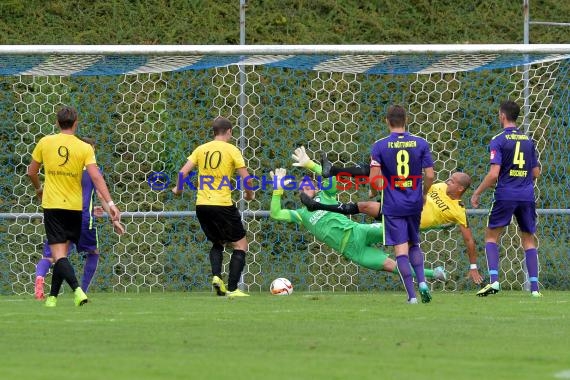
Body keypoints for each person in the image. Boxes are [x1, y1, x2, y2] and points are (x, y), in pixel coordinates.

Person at [302, 155, 483, 285]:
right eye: (448, 179)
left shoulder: (459, 211)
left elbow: (469, 240)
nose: (447, 181)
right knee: (374, 178)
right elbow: (424, 185)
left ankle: (427, 278)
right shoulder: (441, 186)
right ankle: (329, 177)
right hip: (400, 206)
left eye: (452, 181)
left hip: (406, 223)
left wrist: (473, 265)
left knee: (393, 259)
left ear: (460, 189)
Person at [270, 160, 447, 282]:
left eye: (308, 185)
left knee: (397, 225)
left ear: (316, 188)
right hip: (353, 251)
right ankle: (435, 274)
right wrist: (277, 189)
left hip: (359, 231)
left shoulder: (327, 195)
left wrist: (311, 165)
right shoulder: (300, 214)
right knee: (391, 265)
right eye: (302, 186)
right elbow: (276, 213)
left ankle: (436, 224)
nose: (305, 187)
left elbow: (329, 175)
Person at [27, 106, 120, 307]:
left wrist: (39, 189)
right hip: (75, 209)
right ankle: (52, 298)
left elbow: (31, 171)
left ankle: (77, 290)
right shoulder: (84, 148)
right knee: (62, 254)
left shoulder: (45, 142)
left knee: (58, 255)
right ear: (76, 122)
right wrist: (111, 203)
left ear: (56, 122)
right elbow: (96, 176)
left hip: (52, 206)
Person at [172, 116, 255, 298]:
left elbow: (182, 172)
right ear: (229, 132)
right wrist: (250, 194)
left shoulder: (201, 149)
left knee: (217, 242)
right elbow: (246, 178)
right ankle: (233, 289)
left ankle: (217, 277)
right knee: (241, 244)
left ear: (213, 132)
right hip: (222, 204)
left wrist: (178, 189)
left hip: (202, 205)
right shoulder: (232, 150)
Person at [471, 100, 542, 297]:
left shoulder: (498, 140)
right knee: (528, 240)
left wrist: (477, 192)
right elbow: (535, 172)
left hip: (506, 194)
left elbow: (494, 174)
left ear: (502, 115)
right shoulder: (528, 141)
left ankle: (494, 282)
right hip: (527, 196)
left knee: (491, 236)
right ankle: (535, 289)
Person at [369, 105, 435, 304]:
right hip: (414, 203)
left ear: (387, 121)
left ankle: (412, 296)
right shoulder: (421, 143)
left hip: (393, 205)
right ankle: (422, 282)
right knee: (414, 243)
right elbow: (430, 175)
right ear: (406, 120)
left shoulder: (379, 146)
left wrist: (373, 192)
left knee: (400, 250)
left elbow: (375, 181)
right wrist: (423, 194)